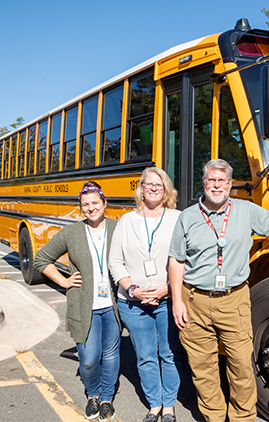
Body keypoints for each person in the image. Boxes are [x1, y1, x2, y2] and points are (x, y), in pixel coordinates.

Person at [168, 158, 269, 422]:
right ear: (204, 183)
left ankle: (242, 418)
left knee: (241, 365)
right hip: (193, 300)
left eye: (222, 181)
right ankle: (214, 417)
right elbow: (176, 260)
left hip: (234, 300)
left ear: (229, 184)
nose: (216, 186)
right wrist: (176, 302)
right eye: (211, 180)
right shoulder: (188, 217)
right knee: (203, 369)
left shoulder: (245, 210)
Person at [34, 181, 120, 421]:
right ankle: (92, 393)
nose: (91, 208)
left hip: (112, 305)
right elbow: (42, 259)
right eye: (85, 205)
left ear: (105, 203)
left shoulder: (118, 229)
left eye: (95, 203)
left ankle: (106, 399)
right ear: (80, 208)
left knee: (111, 354)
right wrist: (63, 281)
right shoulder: (71, 233)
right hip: (84, 306)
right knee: (89, 358)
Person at [109, 167, 181, 422]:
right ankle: (155, 405)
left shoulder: (177, 219)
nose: (152, 188)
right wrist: (133, 290)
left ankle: (169, 406)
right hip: (133, 303)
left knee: (168, 353)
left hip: (166, 300)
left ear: (166, 190)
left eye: (158, 185)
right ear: (140, 188)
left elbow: (188, 260)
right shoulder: (126, 221)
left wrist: (168, 289)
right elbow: (115, 261)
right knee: (145, 355)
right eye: (148, 184)